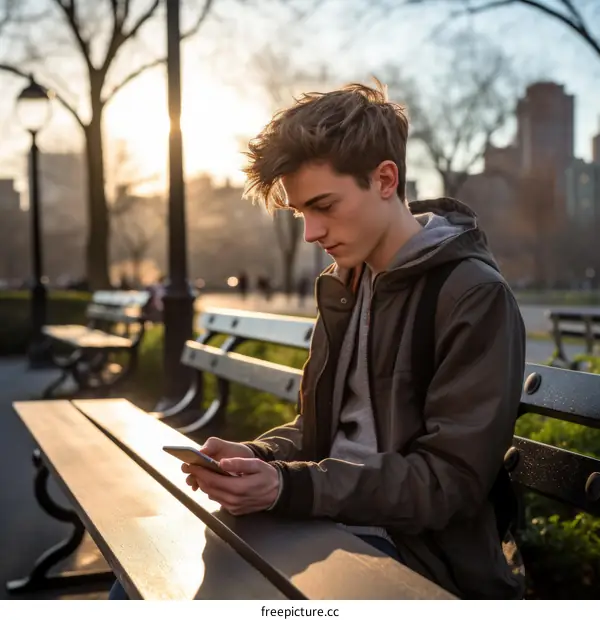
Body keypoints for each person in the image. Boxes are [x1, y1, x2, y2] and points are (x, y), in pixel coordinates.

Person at [109, 80, 526, 600]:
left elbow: (447, 484)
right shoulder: (346, 282)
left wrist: (290, 485)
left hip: (421, 555)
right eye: (301, 212)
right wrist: (257, 457)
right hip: (328, 524)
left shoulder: (471, 295)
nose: (311, 232)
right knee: (142, 584)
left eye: (324, 205)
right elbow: (319, 429)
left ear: (385, 179)